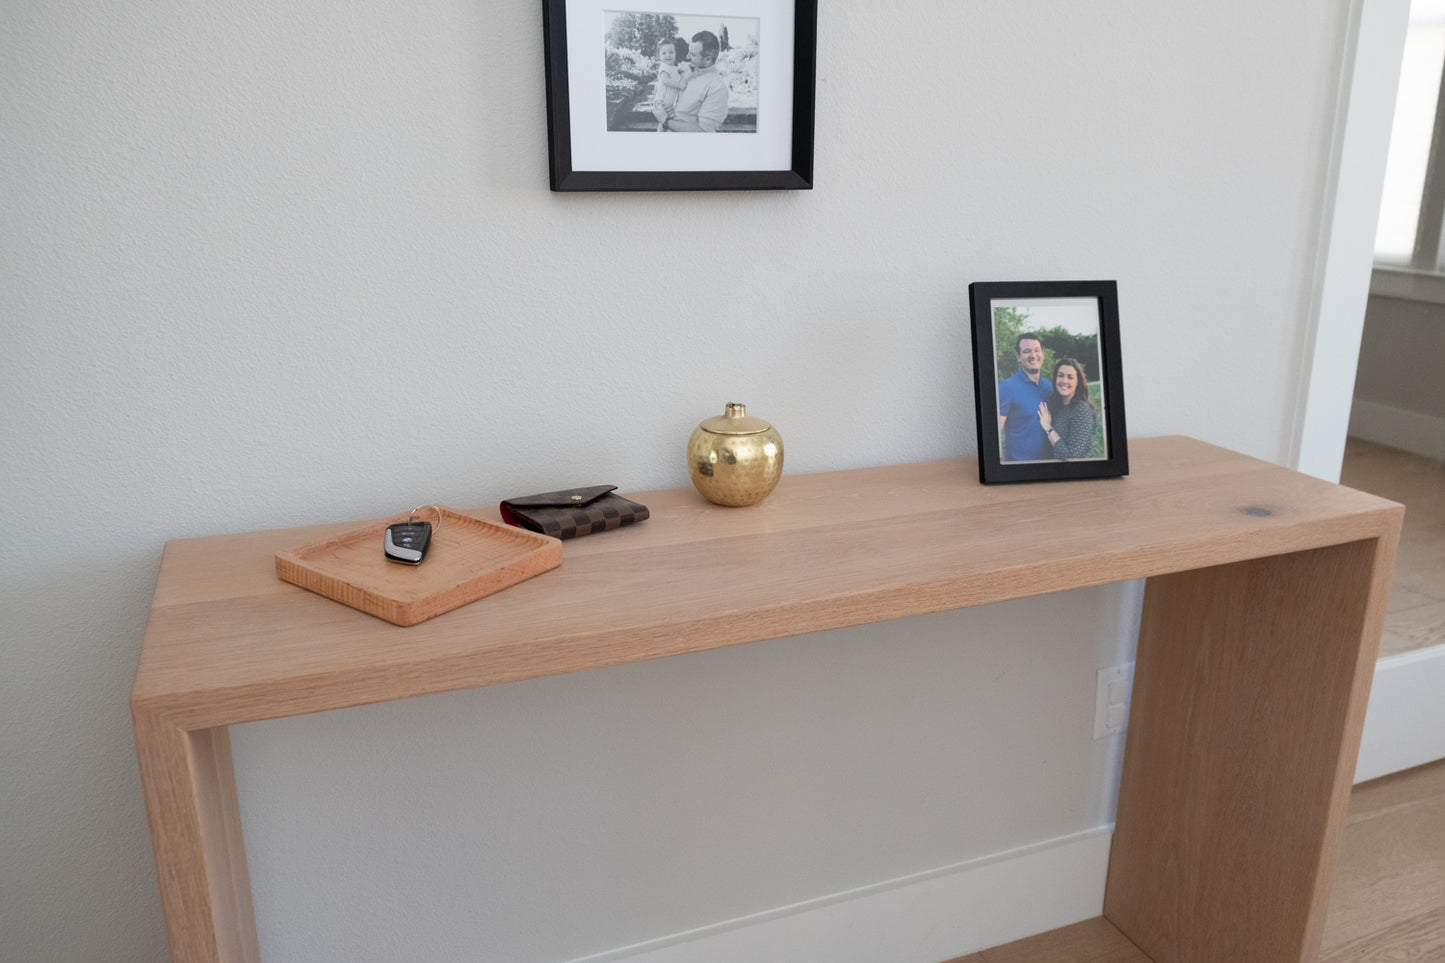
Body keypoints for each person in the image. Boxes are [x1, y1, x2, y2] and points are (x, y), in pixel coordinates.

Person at [654, 31, 729, 132]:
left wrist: (665, 120)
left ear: (707, 59)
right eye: (689, 51)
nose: (687, 56)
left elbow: (703, 132)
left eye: (693, 54)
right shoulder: (686, 72)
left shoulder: (717, 88)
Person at [997, 332, 1053, 461]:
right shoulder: (1006, 387)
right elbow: (993, 434)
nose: (1033, 355)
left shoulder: (1048, 386)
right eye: (1027, 351)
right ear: (1018, 357)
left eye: (1037, 350)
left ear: (1042, 354)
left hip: (1049, 464)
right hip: (1019, 468)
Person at [1037, 357, 1098, 460]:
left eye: (1070, 377)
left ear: (1077, 382)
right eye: (1060, 375)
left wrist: (1048, 428)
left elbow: (1071, 457)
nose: (1064, 381)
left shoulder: (1081, 409)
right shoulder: (1057, 407)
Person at [649, 37, 692, 132]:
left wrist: (680, 70)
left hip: (670, 100)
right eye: (664, 53)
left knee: (669, 120)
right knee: (663, 121)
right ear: (659, 56)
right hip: (663, 99)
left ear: (675, 53)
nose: (668, 55)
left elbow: (676, 72)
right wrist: (679, 85)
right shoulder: (663, 67)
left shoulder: (673, 67)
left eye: (671, 52)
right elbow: (665, 80)